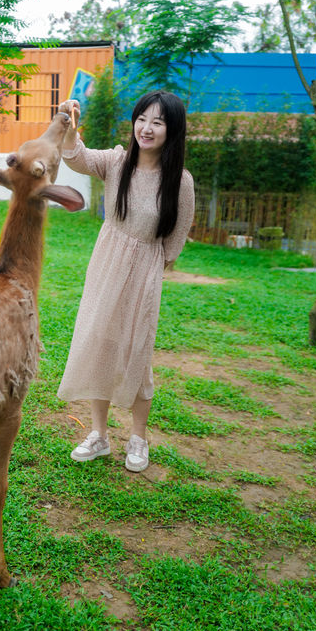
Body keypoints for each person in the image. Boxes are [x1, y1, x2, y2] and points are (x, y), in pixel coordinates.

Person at [57, 90, 195, 471]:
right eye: (142, 119)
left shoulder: (180, 182)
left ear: (172, 130)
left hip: (145, 271)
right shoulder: (117, 163)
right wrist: (69, 124)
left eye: (158, 122)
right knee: (101, 342)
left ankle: (138, 439)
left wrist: (150, 273)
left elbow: (176, 239)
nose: (146, 129)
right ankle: (99, 436)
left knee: (137, 351)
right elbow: (76, 157)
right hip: (106, 265)